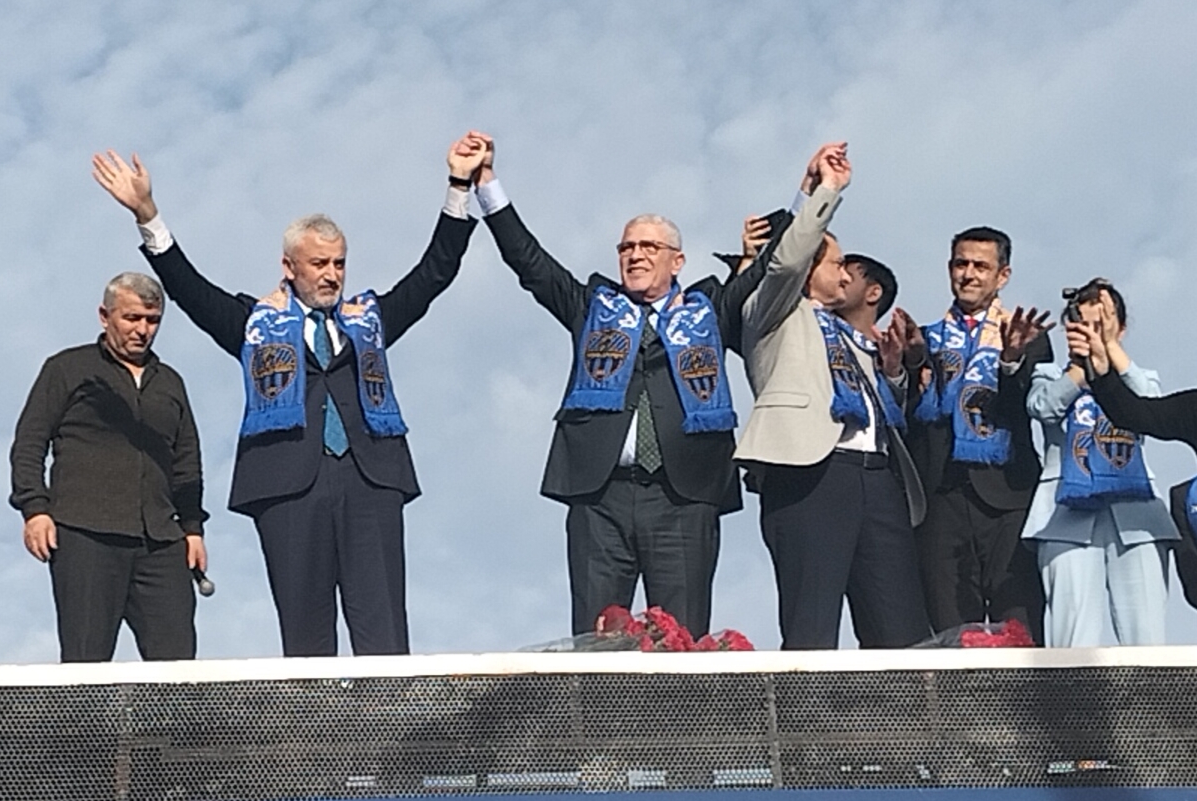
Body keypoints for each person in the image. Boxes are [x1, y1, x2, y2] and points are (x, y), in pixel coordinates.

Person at [90, 139, 483, 656]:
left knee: (384, 633)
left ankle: (390, 710)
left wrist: (458, 186)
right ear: (289, 265)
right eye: (319, 263)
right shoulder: (253, 323)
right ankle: (315, 713)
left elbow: (434, 273)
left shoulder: (369, 319)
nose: (332, 274)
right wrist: (147, 214)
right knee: (305, 637)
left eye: (339, 263)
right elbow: (189, 288)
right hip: (288, 488)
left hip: (371, 481)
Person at [463, 131, 764, 639]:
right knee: (596, 641)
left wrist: (812, 195)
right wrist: (486, 183)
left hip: (683, 495)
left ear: (677, 260)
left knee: (682, 640)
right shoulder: (592, 307)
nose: (635, 255)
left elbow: (777, 271)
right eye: (626, 246)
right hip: (600, 495)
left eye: (649, 246)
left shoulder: (709, 309)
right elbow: (529, 262)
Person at [734, 143, 931, 650]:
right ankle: (806, 706)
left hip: (879, 476)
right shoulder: (773, 312)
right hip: (811, 474)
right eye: (838, 263)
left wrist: (893, 372)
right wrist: (823, 192)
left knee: (902, 632)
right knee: (812, 627)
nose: (846, 275)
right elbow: (784, 263)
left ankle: (904, 704)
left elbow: (883, 405)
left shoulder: (852, 335)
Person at [10, 273, 207, 662]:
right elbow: (30, 443)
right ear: (105, 316)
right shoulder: (67, 368)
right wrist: (35, 509)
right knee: (86, 661)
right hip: (85, 533)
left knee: (178, 665)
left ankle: (172, 710)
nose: (142, 330)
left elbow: (187, 461)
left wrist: (192, 529)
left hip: (161, 539)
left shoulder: (170, 383)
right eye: (132, 318)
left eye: (152, 320)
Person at [906, 226, 1053, 644]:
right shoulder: (926, 339)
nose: (968, 274)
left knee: (1019, 622)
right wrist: (908, 366)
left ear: (1002, 275)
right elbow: (908, 413)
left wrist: (1010, 360)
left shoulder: (1028, 338)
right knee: (951, 629)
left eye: (980, 266)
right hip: (941, 495)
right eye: (961, 264)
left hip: (1008, 493)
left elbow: (1027, 404)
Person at [1021, 284, 1177, 646]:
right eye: (1083, 326)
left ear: (1120, 329)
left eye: (1100, 326)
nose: (1091, 334)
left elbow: (1153, 409)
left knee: (1146, 639)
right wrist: (1081, 369)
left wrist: (1110, 355)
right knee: (1072, 639)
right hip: (1064, 517)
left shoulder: (1140, 377)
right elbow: (1043, 408)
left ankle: (1149, 691)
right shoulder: (1050, 375)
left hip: (1136, 518)